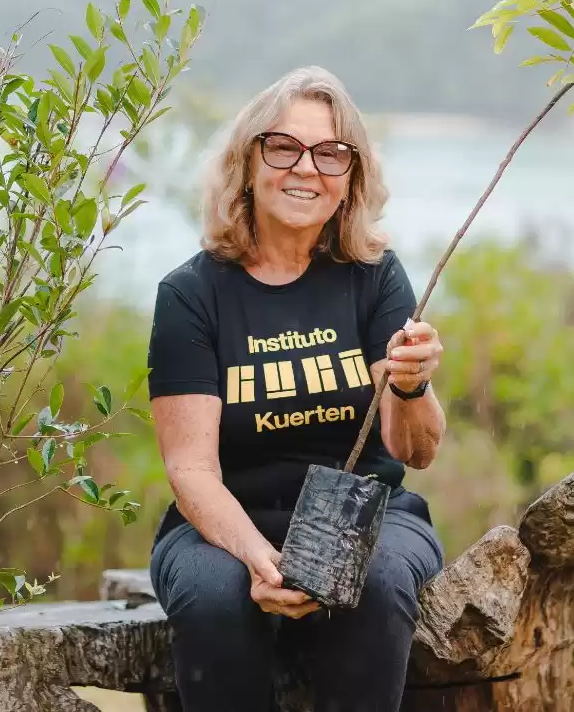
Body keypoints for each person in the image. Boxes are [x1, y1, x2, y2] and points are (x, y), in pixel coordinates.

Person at [145, 66, 448, 711]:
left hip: (368, 516)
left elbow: (414, 452)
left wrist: (413, 386)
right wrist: (262, 560)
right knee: (212, 599)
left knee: (381, 579)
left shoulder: (374, 278)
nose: (305, 168)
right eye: (283, 147)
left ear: (351, 180)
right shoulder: (191, 296)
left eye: (331, 153)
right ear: (247, 162)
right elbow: (191, 468)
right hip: (223, 526)